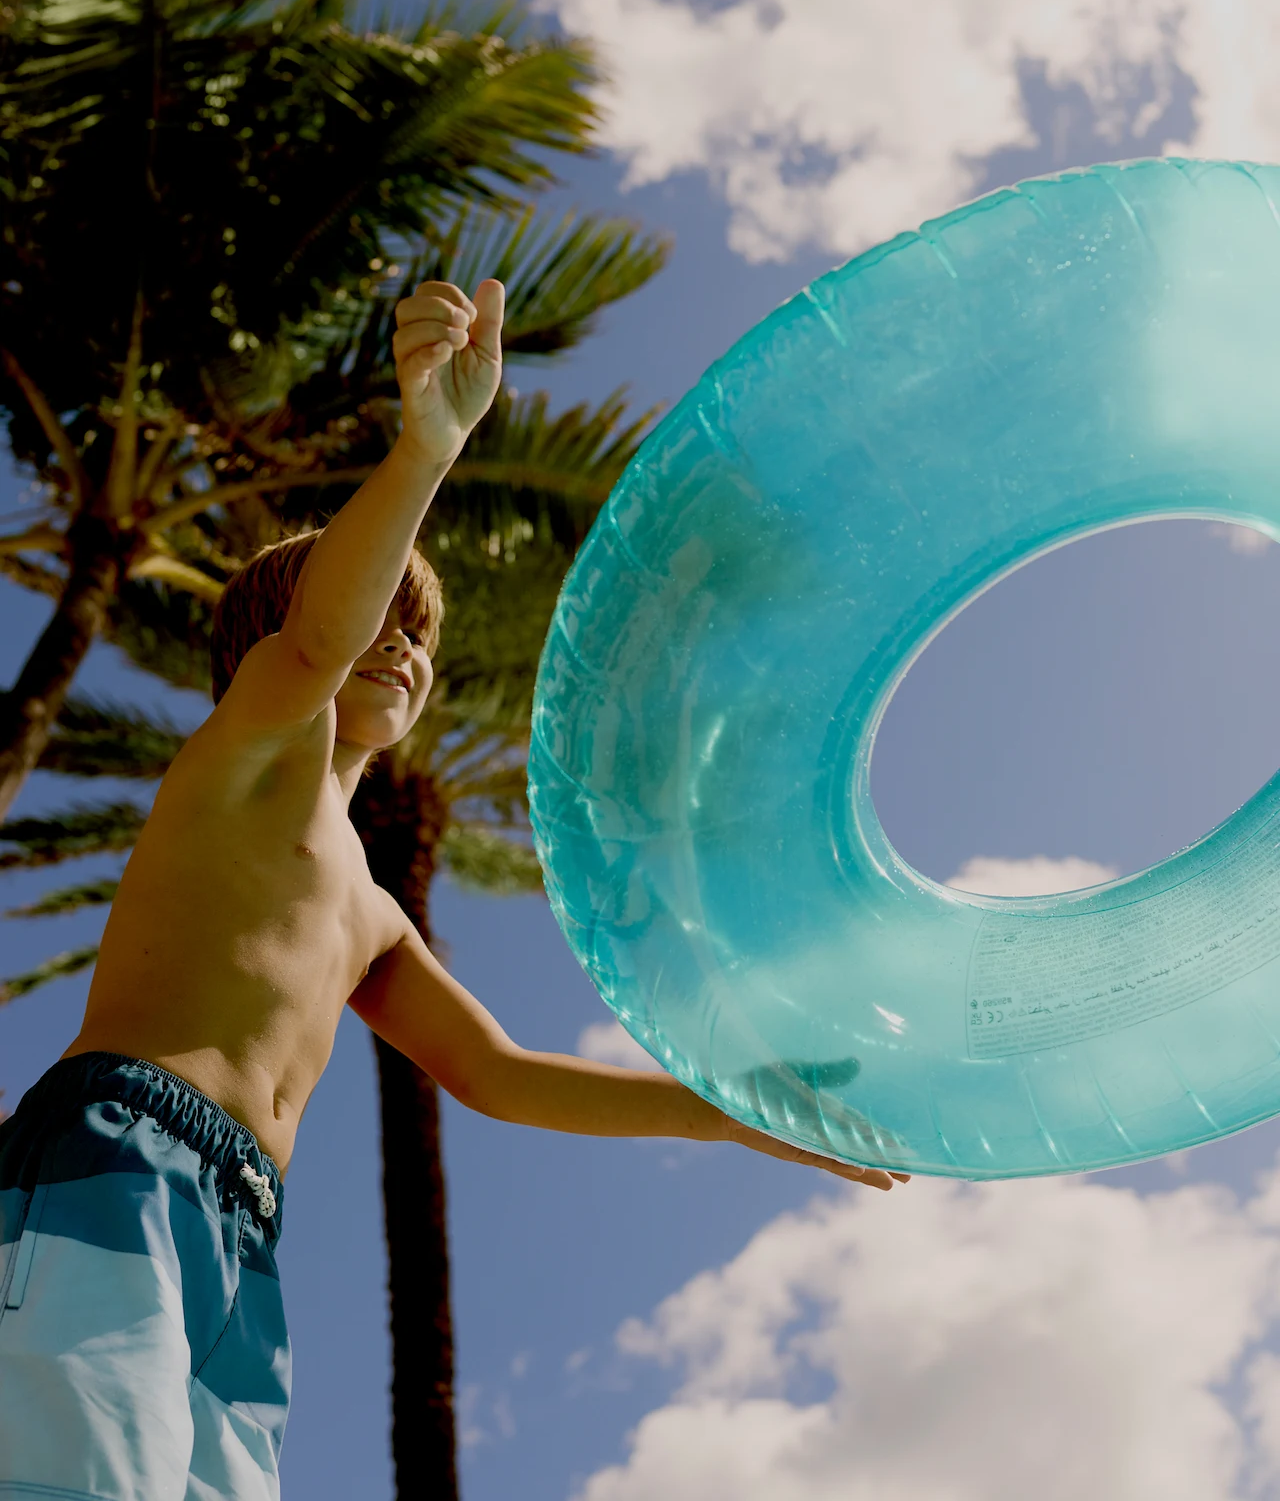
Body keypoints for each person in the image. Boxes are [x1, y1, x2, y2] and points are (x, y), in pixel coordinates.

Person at [0, 279, 907, 1500]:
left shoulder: (370, 907)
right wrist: (429, 443)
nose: (403, 643)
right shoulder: (248, 753)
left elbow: (496, 1074)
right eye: (384, 614)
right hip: (120, 1153)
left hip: (241, 1230)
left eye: (421, 637)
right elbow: (319, 641)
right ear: (268, 651)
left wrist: (742, 1110)